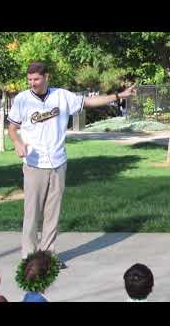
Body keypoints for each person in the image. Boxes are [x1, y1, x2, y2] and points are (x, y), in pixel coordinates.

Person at [7, 62, 136, 268]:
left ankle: (48, 255)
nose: (33, 83)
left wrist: (118, 96)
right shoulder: (22, 99)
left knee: (53, 213)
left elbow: (89, 102)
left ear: (46, 76)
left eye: (36, 79)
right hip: (34, 164)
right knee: (32, 213)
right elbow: (12, 127)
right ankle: (29, 257)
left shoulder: (62, 96)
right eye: (29, 80)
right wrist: (17, 143)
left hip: (58, 162)